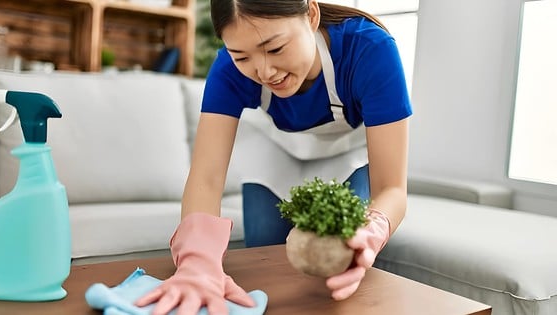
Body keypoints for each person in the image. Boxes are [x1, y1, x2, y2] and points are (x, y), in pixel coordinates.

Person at [136, 0, 412, 314]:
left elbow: (392, 189)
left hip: (346, 156)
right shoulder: (227, 68)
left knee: (338, 266)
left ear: (310, 14)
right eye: (242, 56)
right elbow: (206, 177)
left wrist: (372, 230)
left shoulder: (370, 49)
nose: (265, 72)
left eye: (276, 48)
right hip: (275, 153)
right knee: (267, 270)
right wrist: (196, 260)